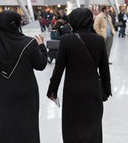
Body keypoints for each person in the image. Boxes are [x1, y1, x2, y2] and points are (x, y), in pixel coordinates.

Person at [47, 8, 112, 143]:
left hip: (72, 91)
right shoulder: (98, 40)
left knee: (72, 125)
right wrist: (106, 90)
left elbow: (58, 69)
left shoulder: (66, 40)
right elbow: (104, 70)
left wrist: (52, 90)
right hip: (93, 90)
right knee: (92, 125)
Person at [0, 10, 47, 143]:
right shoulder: (29, 43)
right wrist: (41, 46)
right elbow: (41, 64)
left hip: (5, 92)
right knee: (27, 125)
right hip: (27, 92)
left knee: (7, 126)